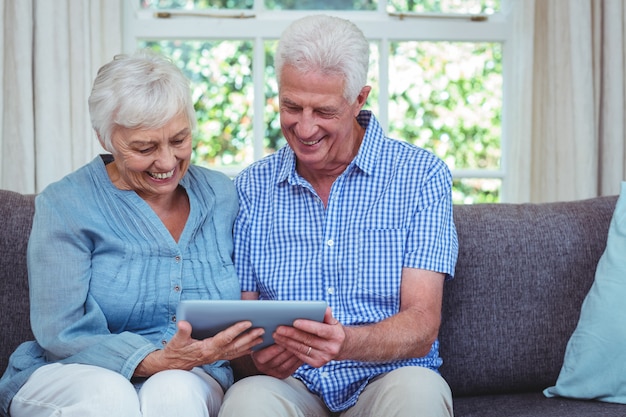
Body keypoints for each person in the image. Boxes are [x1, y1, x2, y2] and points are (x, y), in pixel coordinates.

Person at [0, 50, 263, 417]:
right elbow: (61, 332)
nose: (168, 162)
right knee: (111, 396)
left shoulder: (221, 195)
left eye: (179, 139)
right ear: (105, 138)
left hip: (195, 373)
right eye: (145, 147)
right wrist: (153, 360)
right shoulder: (65, 204)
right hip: (75, 372)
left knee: (175, 392)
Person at [219, 14, 459, 417]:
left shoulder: (421, 177)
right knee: (247, 400)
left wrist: (344, 342)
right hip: (292, 384)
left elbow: (422, 322)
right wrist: (252, 359)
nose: (304, 127)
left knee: (420, 393)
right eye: (291, 106)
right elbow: (241, 323)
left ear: (359, 99)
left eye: (324, 111)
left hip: (387, 379)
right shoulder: (251, 188)